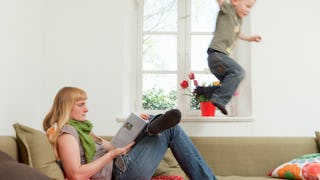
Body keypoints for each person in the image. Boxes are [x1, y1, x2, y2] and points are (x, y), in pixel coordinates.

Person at [43, 87, 217, 180]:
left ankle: (149, 125)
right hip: (121, 173)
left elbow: (113, 146)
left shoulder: (84, 130)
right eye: (81, 104)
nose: (86, 109)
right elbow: (76, 174)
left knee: (149, 122)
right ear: (67, 106)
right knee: (171, 129)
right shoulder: (67, 135)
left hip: (121, 162)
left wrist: (133, 127)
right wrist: (111, 155)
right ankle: (152, 125)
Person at [205, 0, 261, 115]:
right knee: (239, 72)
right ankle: (219, 99)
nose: (248, 10)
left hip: (218, 60)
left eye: (250, 8)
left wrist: (250, 38)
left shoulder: (237, 20)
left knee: (230, 81)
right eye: (247, 6)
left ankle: (209, 92)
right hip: (217, 55)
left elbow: (238, 33)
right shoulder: (227, 9)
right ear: (235, 1)